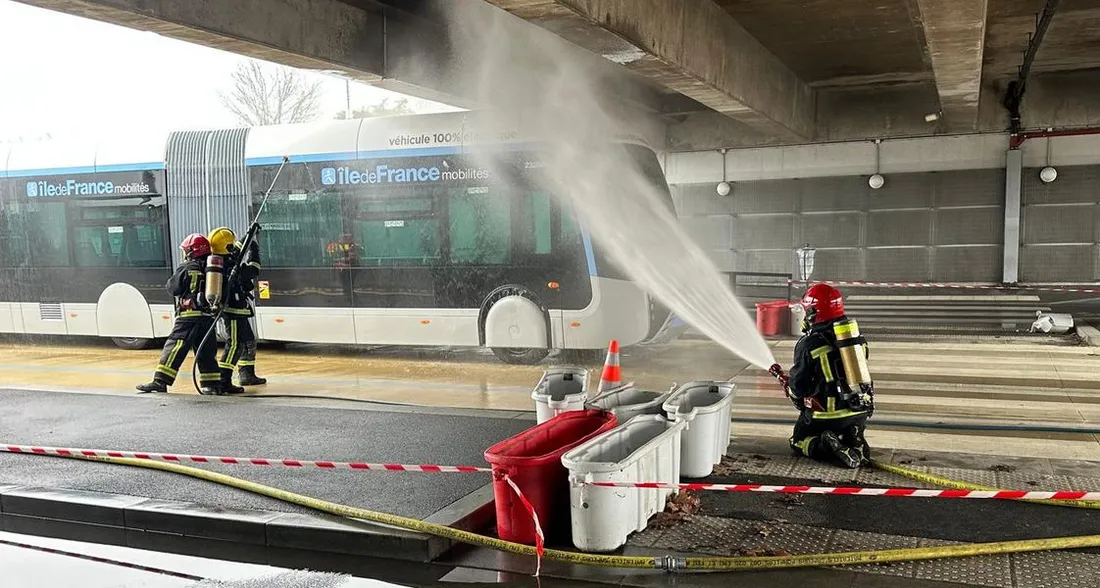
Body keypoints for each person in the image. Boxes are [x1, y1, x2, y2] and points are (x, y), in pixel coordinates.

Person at [775, 283, 875, 469]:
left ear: (814, 313)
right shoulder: (856, 339)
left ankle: (824, 445)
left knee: (798, 441)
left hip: (827, 416)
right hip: (860, 410)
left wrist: (791, 391)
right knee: (847, 428)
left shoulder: (808, 344)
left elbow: (798, 386)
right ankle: (855, 435)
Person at [136, 233, 221, 395]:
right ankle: (212, 384)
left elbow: (172, 288)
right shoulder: (213, 269)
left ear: (191, 252)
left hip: (188, 315)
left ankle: (160, 381)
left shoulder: (187, 268)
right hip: (208, 317)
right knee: (206, 351)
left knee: (175, 345)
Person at [207, 227, 267, 391]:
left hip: (238, 309)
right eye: (231, 244)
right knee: (235, 344)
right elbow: (253, 270)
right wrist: (254, 250)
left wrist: (249, 234)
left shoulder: (223, 257)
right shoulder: (229, 266)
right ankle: (224, 380)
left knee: (248, 341)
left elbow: (238, 246)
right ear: (226, 246)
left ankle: (247, 374)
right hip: (232, 311)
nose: (234, 246)